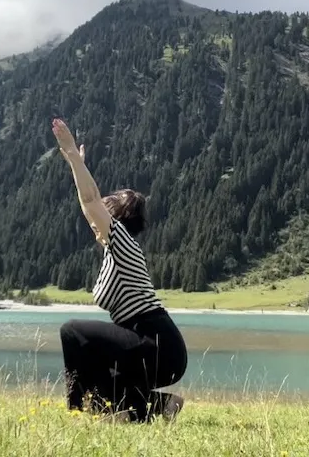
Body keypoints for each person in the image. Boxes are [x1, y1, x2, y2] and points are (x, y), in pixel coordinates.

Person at [50, 117, 188, 423]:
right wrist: (77, 167)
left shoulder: (123, 242)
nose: (97, 215)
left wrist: (73, 154)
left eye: (107, 206)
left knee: (72, 331)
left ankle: (78, 410)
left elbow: (90, 201)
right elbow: (88, 207)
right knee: (94, 359)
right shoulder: (116, 250)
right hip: (150, 346)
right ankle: (159, 405)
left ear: (116, 217)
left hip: (157, 344)